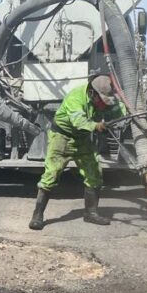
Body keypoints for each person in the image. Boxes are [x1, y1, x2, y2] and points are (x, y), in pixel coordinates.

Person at [29, 74, 126, 229]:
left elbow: (118, 109)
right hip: (62, 137)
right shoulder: (75, 98)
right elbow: (79, 121)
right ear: (92, 93)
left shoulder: (100, 99)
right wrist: (97, 126)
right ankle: (37, 215)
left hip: (82, 139)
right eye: (101, 100)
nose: (103, 105)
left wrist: (127, 112)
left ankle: (90, 213)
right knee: (51, 175)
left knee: (94, 173)